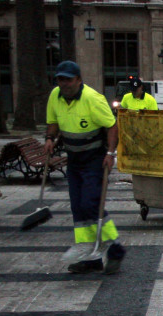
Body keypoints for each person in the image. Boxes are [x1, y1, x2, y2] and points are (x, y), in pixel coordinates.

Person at [44, 60, 125, 274]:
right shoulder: (55, 96)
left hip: (94, 158)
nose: (64, 84)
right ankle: (92, 256)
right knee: (78, 207)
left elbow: (112, 125)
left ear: (78, 80)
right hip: (74, 158)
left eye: (68, 79)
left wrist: (110, 153)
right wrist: (50, 138)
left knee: (90, 202)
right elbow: (52, 120)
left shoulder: (92, 99)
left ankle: (114, 248)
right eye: (60, 79)